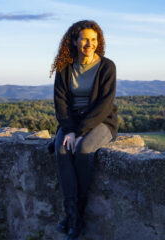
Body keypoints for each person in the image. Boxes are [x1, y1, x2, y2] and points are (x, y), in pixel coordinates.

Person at [50, 20, 118, 240]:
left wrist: (80, 132)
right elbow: (60, 103)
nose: (90, 43)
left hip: (100, 121)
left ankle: (74, 216)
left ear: (99, 42)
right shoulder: (65, 67)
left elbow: (104, 105)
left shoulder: (107, 66)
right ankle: (73, 215)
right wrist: (69, 130)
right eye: (85, 39)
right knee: (62, 150)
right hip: (71, 122)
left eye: (94, 39)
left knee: (84, 149)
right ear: (75, 41)